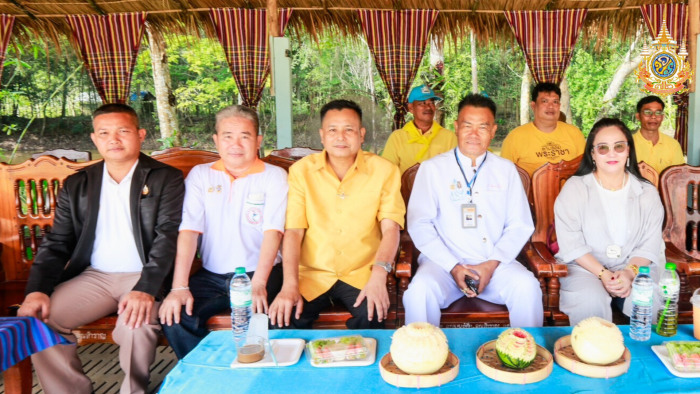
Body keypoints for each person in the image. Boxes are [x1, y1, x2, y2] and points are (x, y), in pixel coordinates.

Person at [18, 104, 185, 394]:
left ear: (140, 134)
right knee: (41, 321)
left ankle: (133, 391)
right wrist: (37, 290)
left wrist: (146, 288)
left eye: (123, 131)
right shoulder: (78, 184)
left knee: (137, 326)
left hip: (144, 276)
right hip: (94, 277)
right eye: (105, 133)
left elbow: (167, 237)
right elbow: (58, 242)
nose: (114, 139)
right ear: (95, 139)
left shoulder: (165, 178)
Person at [402, 94, 543, 328]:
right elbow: (419, 224)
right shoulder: (432, 169)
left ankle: (527, 355)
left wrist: (491, 264)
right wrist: (453, 267)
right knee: (420, 291)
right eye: (467, 126)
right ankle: (422, 358)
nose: (474, 134)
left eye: (482, 127)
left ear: (493, 130)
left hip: (495, 264)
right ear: (456, 127)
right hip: (443, 266)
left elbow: (520, 225)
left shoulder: (506, 170)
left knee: (527, 287)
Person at [159, 105, 288, 359]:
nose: (235, 144)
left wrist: (259, 283)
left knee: (275, 319)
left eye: (245, 136)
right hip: (211, 277)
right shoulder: (200, 175)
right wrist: (178, 287)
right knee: (175, 317)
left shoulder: (274, 176)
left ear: (258, 140)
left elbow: (273, 232)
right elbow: (188, 231)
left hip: (261, 273)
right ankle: (209, 375)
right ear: (216, 140)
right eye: (228, 136)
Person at [268, 99, 405, 329]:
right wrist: (289, 285)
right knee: (283, 320)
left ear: (361, 134)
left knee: (373, 317)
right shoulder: (301, 171)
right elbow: (293, 231)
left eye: (349, 129)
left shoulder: (385, 171)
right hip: (311, 274)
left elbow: (391, 229)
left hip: (362, 273)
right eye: (333, 130)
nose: (341, 137)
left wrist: (379, 276)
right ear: (322, 135)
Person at [554, 118, 664, 326]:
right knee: (590, 305)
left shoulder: (647, 191)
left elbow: (649, 244)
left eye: (619, 146)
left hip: (636, 267)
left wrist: (629, 273)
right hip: (584, 268)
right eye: (602, 148)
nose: (612, 153)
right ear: (592, 154)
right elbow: (572, 244)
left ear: (628, 151)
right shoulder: (575, 188)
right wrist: (603, 274)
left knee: (648, 303)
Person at [501, 82, 586, 175]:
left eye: (555, 102)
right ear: (533, 106)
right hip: (530, 189)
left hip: (571, 189)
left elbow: (585, 170)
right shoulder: (515, 137)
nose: (551, 106)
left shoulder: (574, 133)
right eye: (544, 101)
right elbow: (503, 175)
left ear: (559, 106)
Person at [382, 85, 457, 174]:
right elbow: (386, 172)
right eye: (422, 103)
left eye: (431, 103)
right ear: (411, 108)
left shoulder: (449, 137)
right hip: (406, 188)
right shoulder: (397, 137)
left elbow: (455, 171)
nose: (428, 107)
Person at [633, 95, 685, 174]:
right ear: (638, 116)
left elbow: (679, 178)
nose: (653, 116)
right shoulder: (628, 144)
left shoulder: (673, 145)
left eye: (658, 113)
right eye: (647, 112)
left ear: (663, 117)